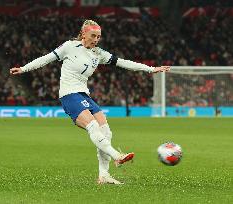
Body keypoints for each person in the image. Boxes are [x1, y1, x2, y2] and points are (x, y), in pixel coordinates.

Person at [10, 19, 170, 185]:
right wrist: (24, 68)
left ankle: (104, 175)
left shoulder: (98, 53)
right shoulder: (69, 46)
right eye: (93, 35)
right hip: (69, 95)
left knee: (106, 131)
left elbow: (123, 62)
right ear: (83, 34)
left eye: (99, 37)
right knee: (92, 126)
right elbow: (46, 58)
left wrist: (150, 69)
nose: (96, 39)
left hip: (84, 95)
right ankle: (117, 156)